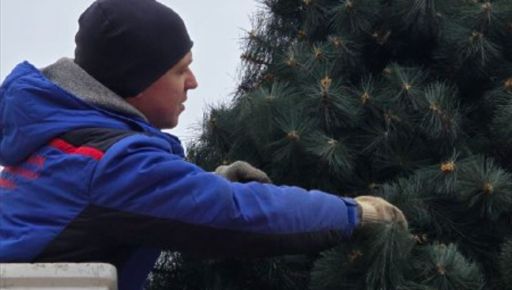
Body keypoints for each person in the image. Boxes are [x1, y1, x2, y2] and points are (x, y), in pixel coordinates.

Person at [0, 0, 407, 289]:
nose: (192, 82)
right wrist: (353, 213)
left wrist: (202, 181)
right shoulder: (109, 164)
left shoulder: (61, 143)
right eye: (181, 70)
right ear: (136, 80)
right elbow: (238, 216)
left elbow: (112, 193)